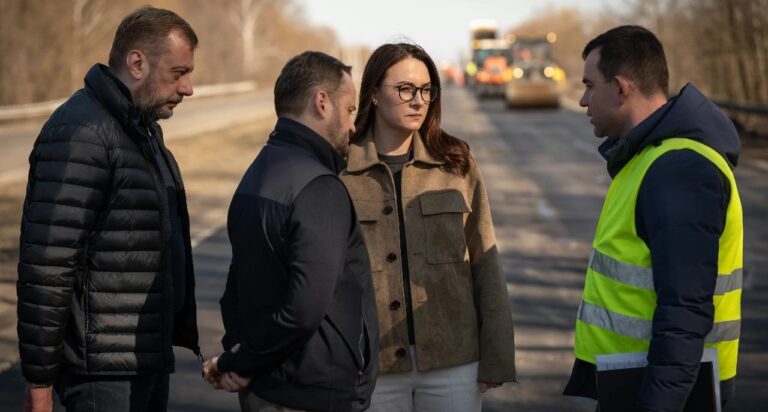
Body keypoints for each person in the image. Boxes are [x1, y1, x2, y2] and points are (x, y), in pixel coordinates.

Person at [16, 6, 200, 412]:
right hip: (101, 374)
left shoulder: (140, 129)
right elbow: (47, 265)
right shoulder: (83, 132)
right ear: (137, 63)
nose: (188, 88)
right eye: (178, 73)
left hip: (142, 358)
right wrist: (39, 379)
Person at [563, 25, 743, 411]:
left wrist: (657, 404)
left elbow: (685, 310)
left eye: (589, 86)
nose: (582, 99)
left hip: (664, 391)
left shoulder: (679, 168)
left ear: (621, 88)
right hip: (639, 381)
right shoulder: (650, 158)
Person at [339, 42, 517, 412]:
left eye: (425, 90)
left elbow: (485, 260)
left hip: (453, 362)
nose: (418, 101)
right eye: (405, 89)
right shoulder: (341, 169)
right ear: (374, 94)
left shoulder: (456, 163)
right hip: (370, 365)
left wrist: (497, 353)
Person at [203, 51, 379, 412]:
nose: (353, 126)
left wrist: (240, 357)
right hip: (313, 391)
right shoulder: (319, 187)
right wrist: (241, 362)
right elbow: (305, 309)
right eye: (349, 110)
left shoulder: (255, 175)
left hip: (265, 388)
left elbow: (236, 290)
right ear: (321, 102)